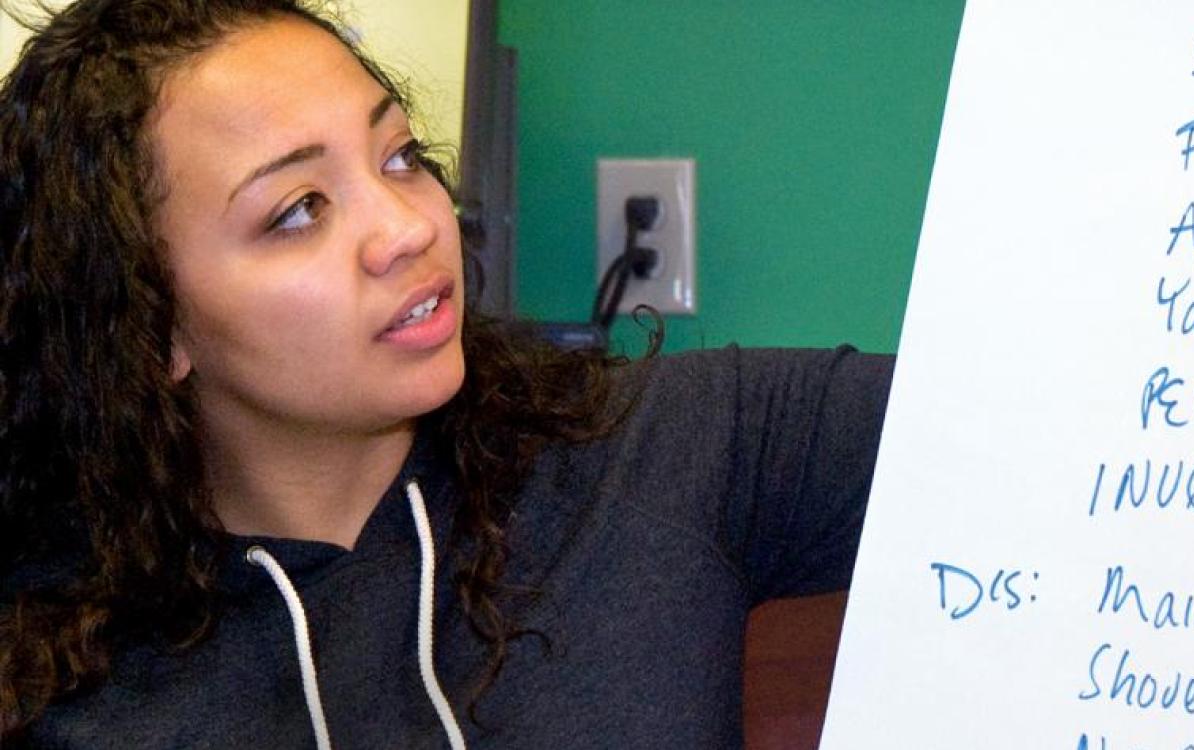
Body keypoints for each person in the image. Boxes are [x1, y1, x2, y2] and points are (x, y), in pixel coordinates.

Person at [0, 0, 891, 746]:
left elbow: (1007, 412)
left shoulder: (677, 446)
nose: (410, 227)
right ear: (148, 324)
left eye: (400, 157)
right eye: (299, 210)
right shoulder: (52, 672)